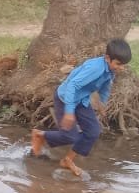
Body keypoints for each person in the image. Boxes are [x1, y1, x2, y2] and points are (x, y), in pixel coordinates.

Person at [30, 39, 132, 177]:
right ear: (107, 58)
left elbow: (105, 86)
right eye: (118, 64)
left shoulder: (110, 70)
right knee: (69, 135)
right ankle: (40, 135)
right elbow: (72, 85)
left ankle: (67, 160)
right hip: (65, 99)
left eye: (123, 65)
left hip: (82, 101)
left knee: (93, 131)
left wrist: (102, 103)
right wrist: (69, 112)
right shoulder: (95, 68)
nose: (121, 67)